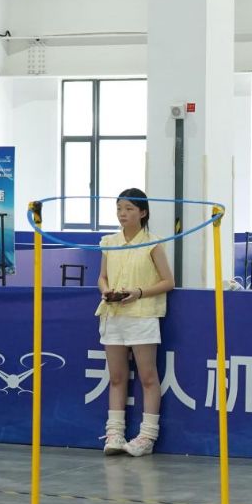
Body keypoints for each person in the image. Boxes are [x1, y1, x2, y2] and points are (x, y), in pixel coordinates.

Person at [95, 188, 174, 457]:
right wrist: (105, 290)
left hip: (142, 315)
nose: (122, 214)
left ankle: (147, 436)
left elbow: (168, 281)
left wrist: (138, 292)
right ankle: (115, 433)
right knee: (116, 377)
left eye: (129, 209)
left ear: (143, 212)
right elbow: (102, 277)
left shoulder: (152, 243)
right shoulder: (108, 242)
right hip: (112, 314)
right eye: (119, 208)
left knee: (147, 377)